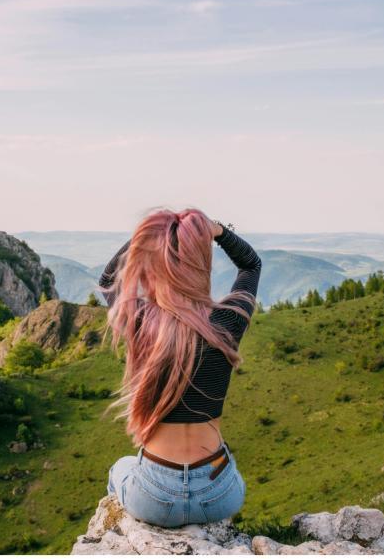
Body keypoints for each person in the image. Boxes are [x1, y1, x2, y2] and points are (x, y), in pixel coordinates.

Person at [97, 207, 261, 528]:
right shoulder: (227, 323)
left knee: (121, 468)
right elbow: (251, 264)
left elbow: (107, 282)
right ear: (202, 265)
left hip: (154, 496)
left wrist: (145, 237)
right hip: (219, 492)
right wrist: (218, 232)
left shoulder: (144, 323)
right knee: (227, 470)